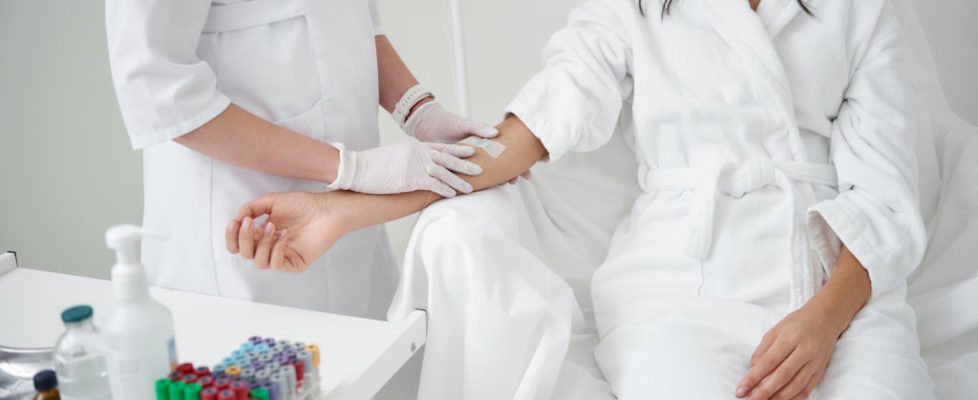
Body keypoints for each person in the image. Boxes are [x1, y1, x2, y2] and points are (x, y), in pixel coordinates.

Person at [227, 0, 935, 398]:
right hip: (682, 284)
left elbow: (888, 194)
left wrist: (821, 323)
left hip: (837, 285)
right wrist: (341, 209)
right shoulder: (630, 7)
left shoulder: (865, 10)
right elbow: (524, 137)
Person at [104, 0, 496, 318]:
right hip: (241, 232)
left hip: (352, 220)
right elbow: (158, 93)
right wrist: (351, 169)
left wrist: (417, 110)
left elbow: (353, 19)